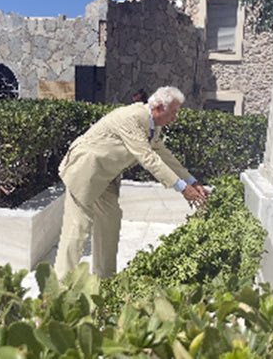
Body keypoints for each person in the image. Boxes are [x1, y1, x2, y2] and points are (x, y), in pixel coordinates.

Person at [54, 86, 210, 280]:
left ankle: (104, 282)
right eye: (173, 112)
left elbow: (164, 155)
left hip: (107, 177)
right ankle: (57, 290)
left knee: (110, 224)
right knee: (77, 229)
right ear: (160, 107)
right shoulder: (133, 117)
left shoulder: (153, 126)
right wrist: (182, 188)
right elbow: (147, 157)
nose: (175, 118)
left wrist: (192, 182)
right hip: (85, 172)